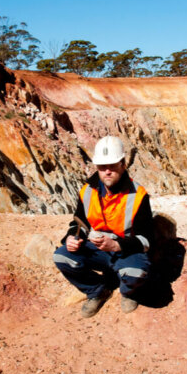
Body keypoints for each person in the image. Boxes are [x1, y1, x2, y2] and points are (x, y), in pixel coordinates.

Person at [53, 136, 154, 318]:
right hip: (97, 247)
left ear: (123, 164)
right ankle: (98, 290)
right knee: (62, 256)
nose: (107, 171)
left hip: (126, 249)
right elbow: (79, 223)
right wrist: (72, 237)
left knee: (135, 271)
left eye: (112, 166)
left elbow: (146, 239)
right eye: (102, 167)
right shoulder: (87, 191)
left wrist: (118, 246)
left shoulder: (138, 195)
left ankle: (128, 292)